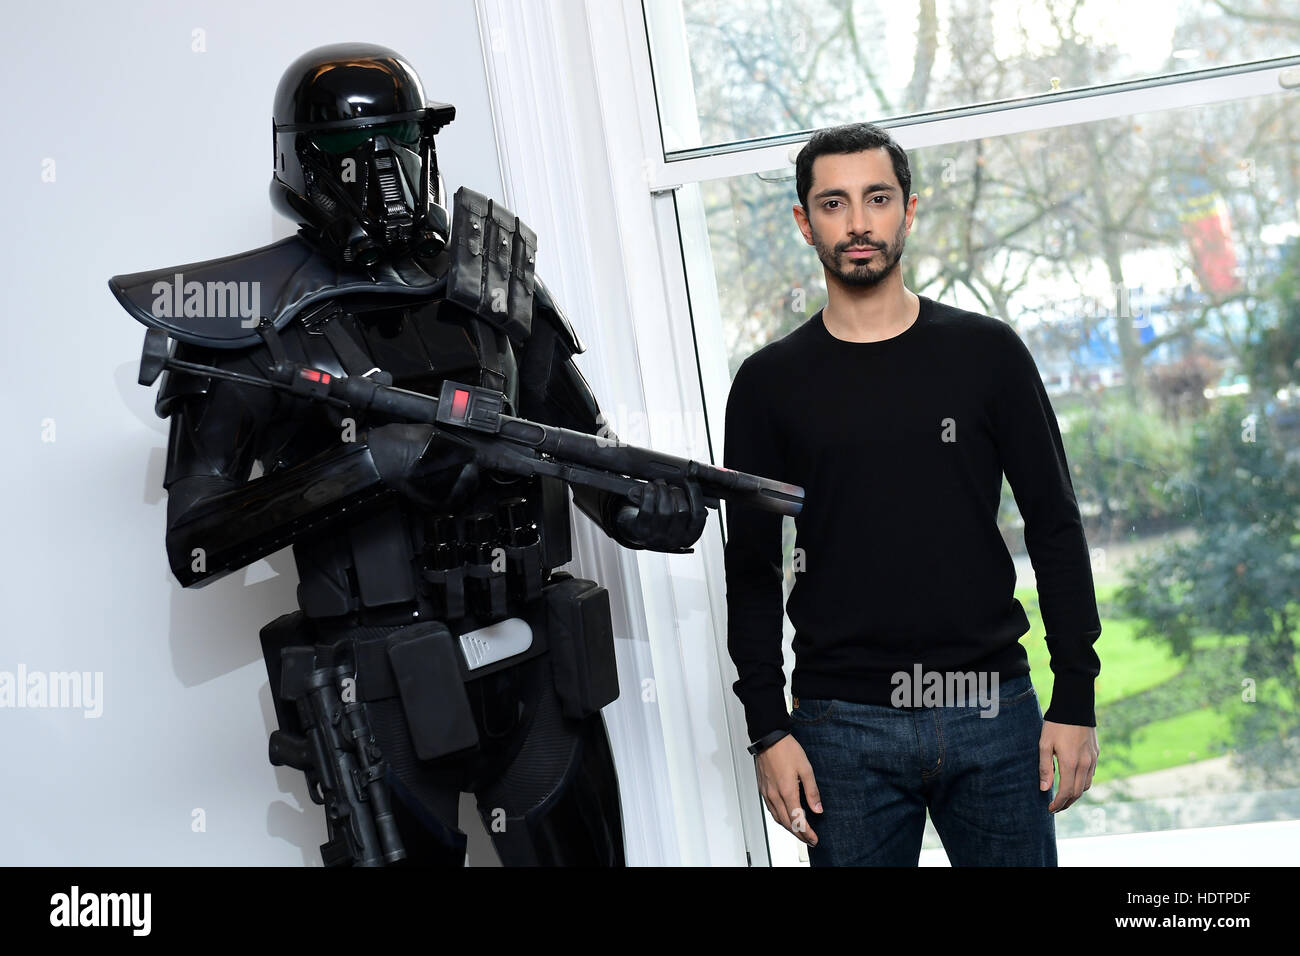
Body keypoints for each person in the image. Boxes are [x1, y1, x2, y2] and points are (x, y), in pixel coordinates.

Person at [110, 43, 708, 866]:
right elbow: (195, 542)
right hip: (382, 687)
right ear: (301, 160)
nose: (384, 177)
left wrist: (642, 511)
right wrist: (369, 467)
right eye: (353, 157)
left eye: (399, 144)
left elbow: (581, 447)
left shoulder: (492, 288)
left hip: (537, 668)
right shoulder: (251, 324)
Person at [723, 122, 1102, 866]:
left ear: (909, 211)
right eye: (833, 203)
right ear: (804, 221)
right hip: (842, 727)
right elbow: (752, 568)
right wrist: (769, 728)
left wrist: (1076, 697)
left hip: (992, 709)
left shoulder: (988, 353)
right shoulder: (768, 384)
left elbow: (1056, 527)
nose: (858, 222)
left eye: (877, 198)